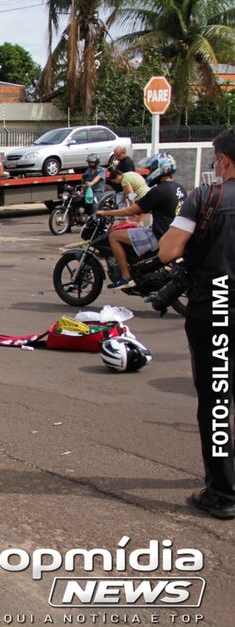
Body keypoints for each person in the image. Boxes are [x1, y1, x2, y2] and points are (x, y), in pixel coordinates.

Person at [157, 128, 235, 520]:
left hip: (217, 306)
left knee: (217, 402)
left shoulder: (206, 198)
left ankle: (222, 492)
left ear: (221, 159)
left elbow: (168, 249)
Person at [97, 153, 186, 288]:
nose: (148, 172)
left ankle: (126, 277)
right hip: (172, 232)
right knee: (135, 224)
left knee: (114, 236)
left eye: (151, 169)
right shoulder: (180, 188)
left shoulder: (130, 182)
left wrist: (106, 212)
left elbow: (131, 201)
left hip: (158, 232)